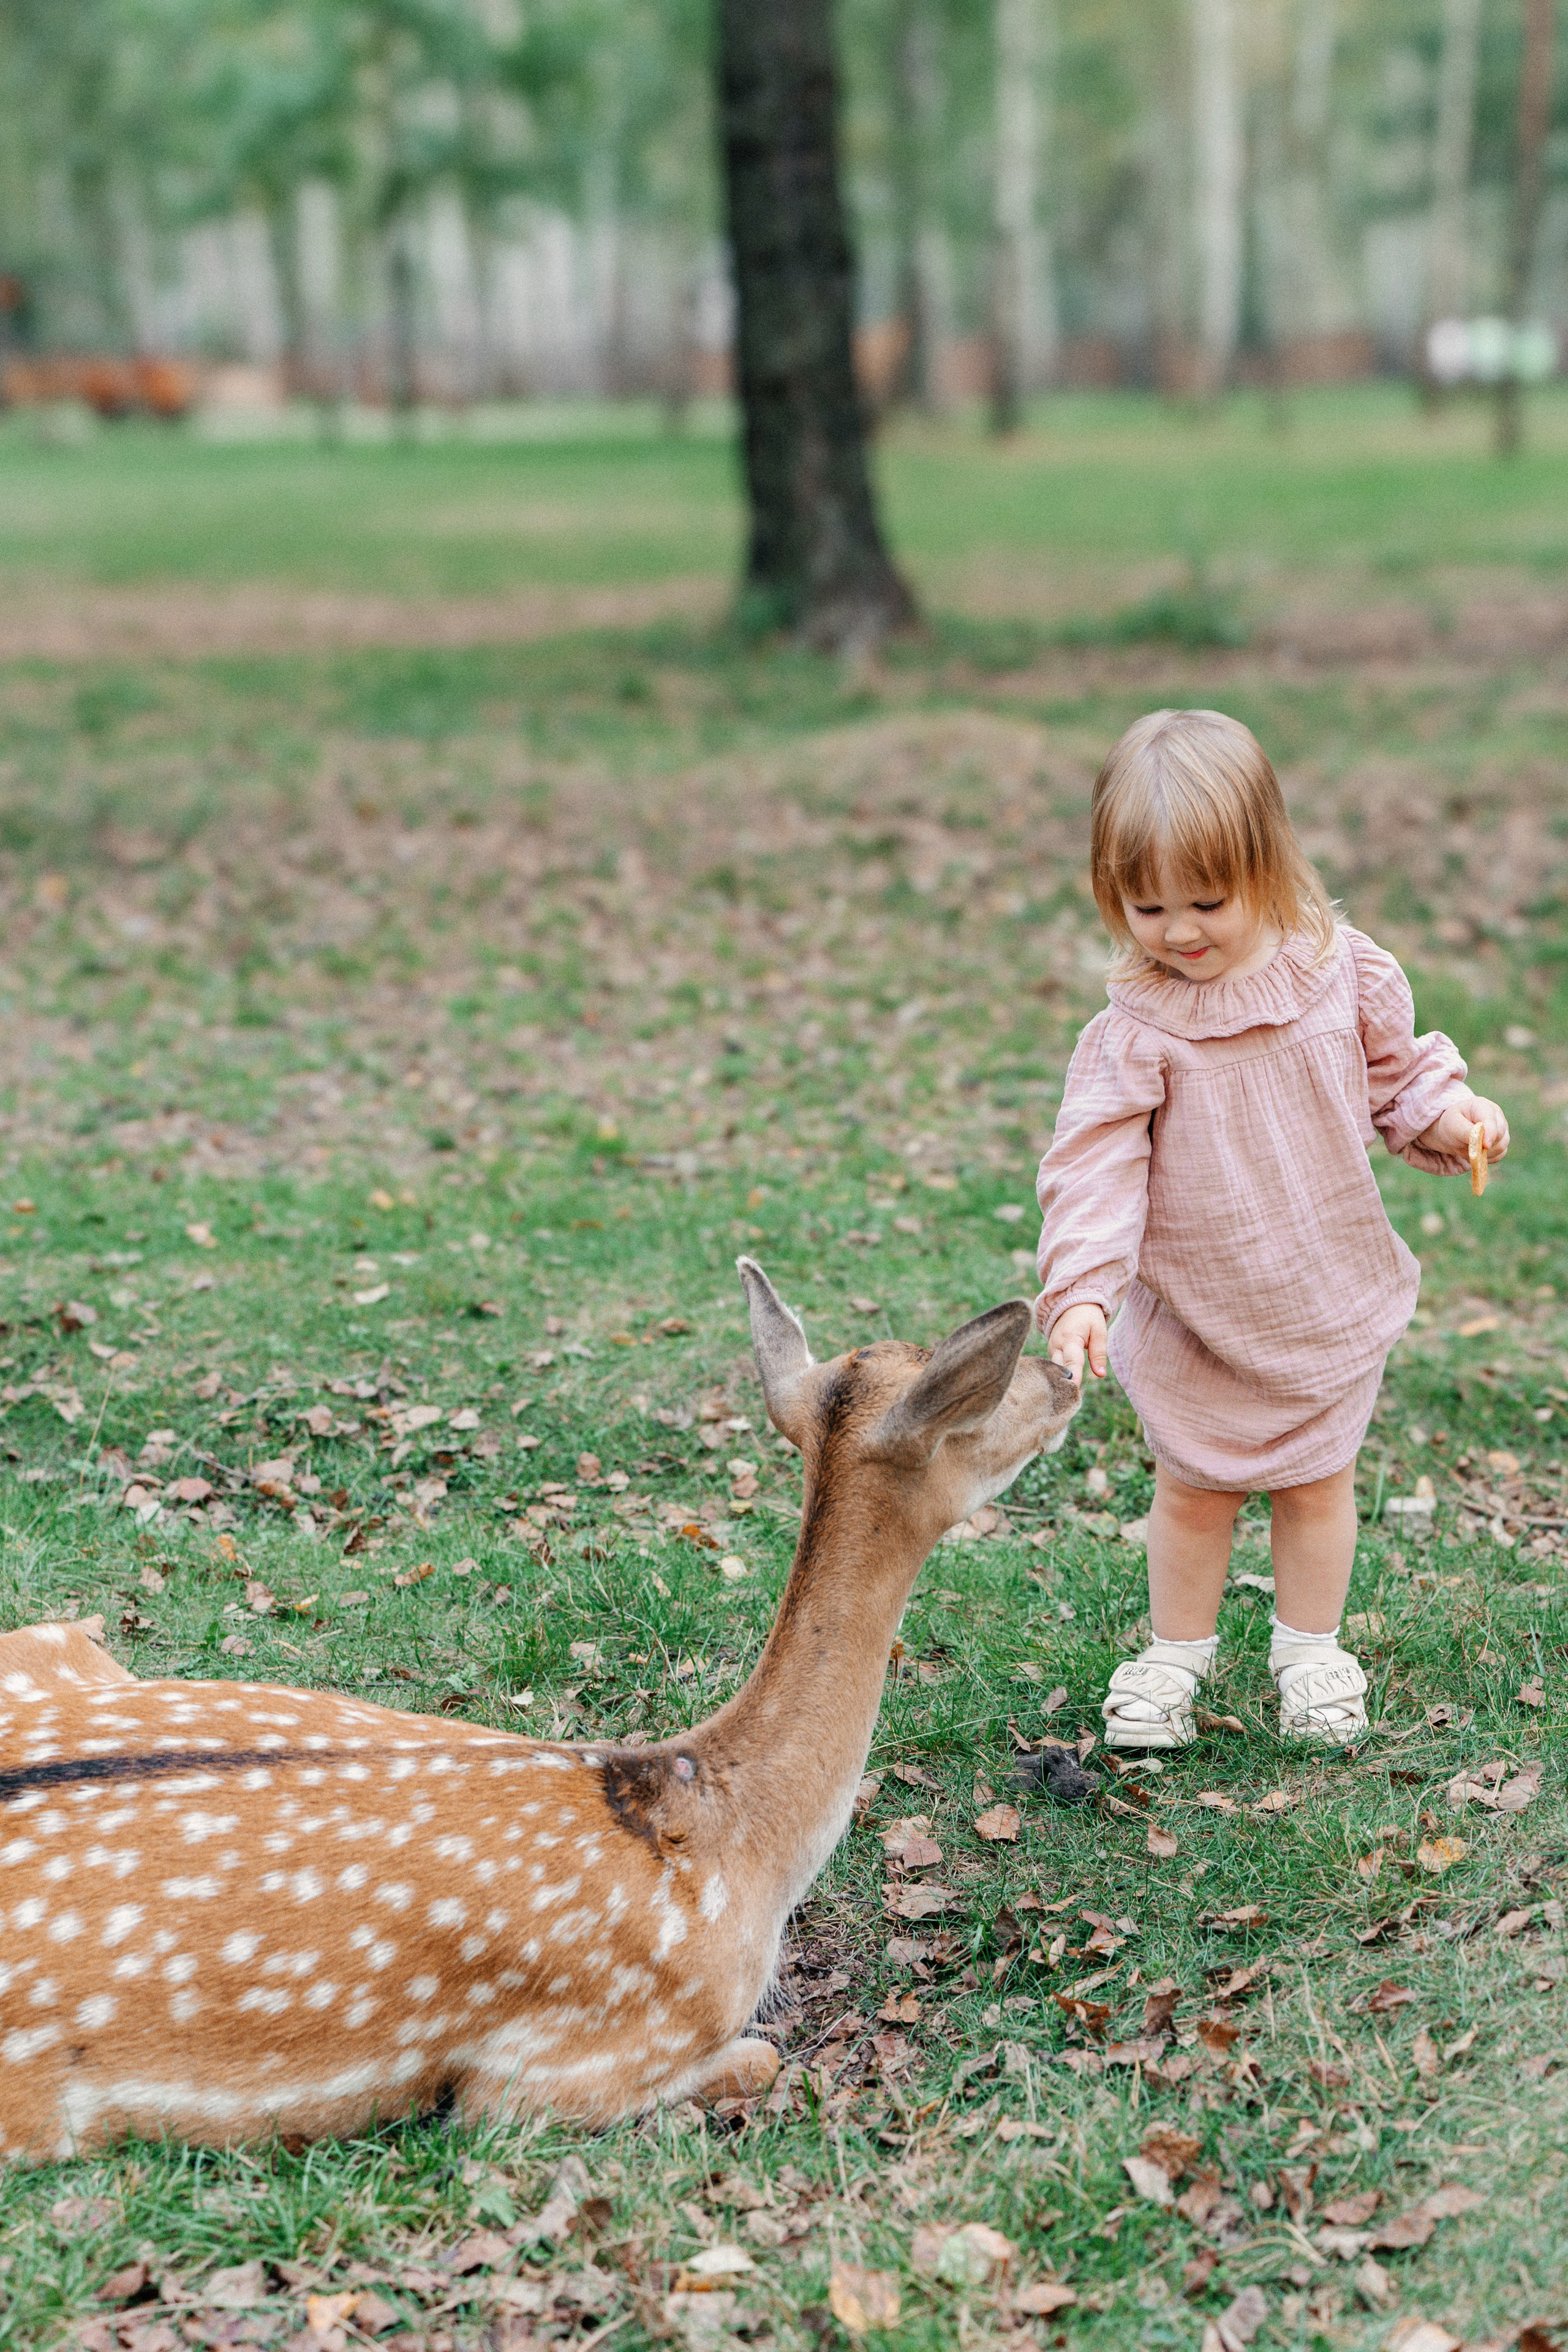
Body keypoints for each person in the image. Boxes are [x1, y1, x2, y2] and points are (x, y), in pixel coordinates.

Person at [1035, 709, 1509, 1748]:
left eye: (1208, 899)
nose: (1179, 930)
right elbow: (1096, 1166)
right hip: (1204, 1310)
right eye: (1147, 905)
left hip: (1322, 1286)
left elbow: (1399, 1078)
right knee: (1196, 1495)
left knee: (1315, 1484)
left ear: (1270, 865)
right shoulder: (1139, 1034)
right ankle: (1175, 1655)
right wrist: (1079, 1288)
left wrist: (1450, 1114)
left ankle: (1310, 1648)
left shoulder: (1341, 976)